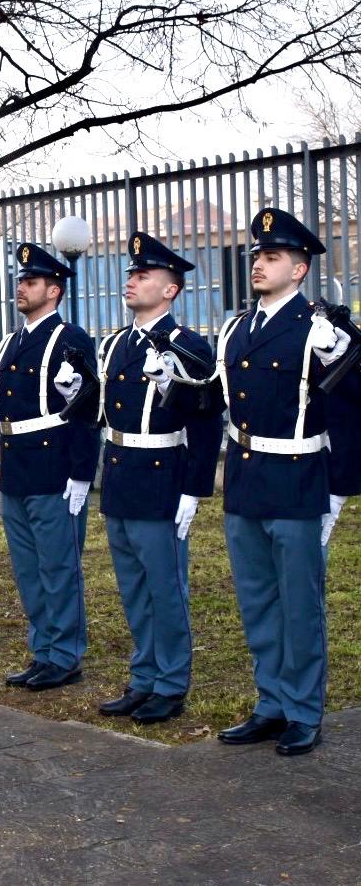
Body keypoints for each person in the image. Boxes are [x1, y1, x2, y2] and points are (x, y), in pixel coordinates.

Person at [213, 208, 360, 756]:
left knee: (300, 602)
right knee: (257, 601)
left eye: (271, 256)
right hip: (247, 479)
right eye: (256, 255)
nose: (258, 263)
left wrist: (338, 492)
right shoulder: (237, 327)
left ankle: (302, 709)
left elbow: (349, 412)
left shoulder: (324, 330)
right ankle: (270, 703)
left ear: (299, 270)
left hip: (300, 480)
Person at [90, 232, 223, 724]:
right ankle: (143, 676)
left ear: (170, 289)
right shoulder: (116, 344)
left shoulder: (187, 346)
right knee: (133, 586)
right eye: (130, 274)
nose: (131, 281)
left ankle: (170, 682)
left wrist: (194, 488)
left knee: (165, 587)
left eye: (142, 275)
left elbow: (207, 420)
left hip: (162, 475)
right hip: (122, 473)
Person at [0, 242, 100, 691]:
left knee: (58, 566)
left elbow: (85, 410)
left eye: (31, 282)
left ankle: (65, 653)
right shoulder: (11, 341)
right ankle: (44, 649)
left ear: (53, 290)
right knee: (28, 567)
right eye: (20, 281)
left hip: (53, 466)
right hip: (16, 466)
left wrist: (80, 474)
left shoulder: (69, 339)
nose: (21, 288)